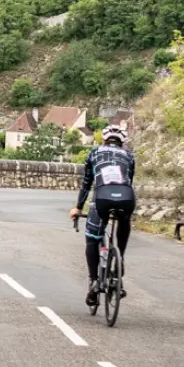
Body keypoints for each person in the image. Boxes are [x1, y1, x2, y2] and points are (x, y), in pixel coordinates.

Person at [70, 125, 136, 306]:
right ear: (122, 142)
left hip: (102, 199)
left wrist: (78, 208)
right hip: (126, 199)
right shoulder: (129, 156)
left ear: (104, 139)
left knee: (92, 239)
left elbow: (86, 184)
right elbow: (129, 180)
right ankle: (119, 263)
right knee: (124, 221)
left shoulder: (94, 153)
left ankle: (93, 282)